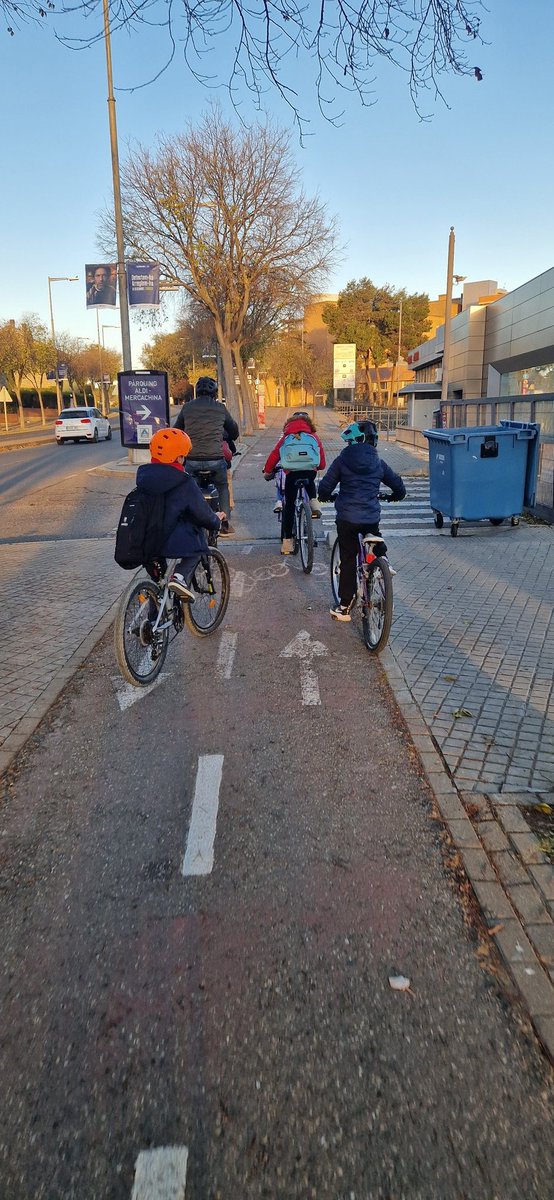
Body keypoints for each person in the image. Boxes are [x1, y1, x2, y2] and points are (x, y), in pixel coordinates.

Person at [318, 420, 406, 621]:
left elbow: (324, 487)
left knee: (348, 559)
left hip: (347, 518)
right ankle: (383, 561)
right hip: (370, 517)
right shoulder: (378, 463)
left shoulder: (341, 461)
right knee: (374, 534)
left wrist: (324, 496)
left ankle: (344, 607)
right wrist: (393, 496)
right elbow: (399, 488)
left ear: (353, 442)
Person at [136, 427, 225, 601]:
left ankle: (153, 623)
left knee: (159, 586)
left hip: (145, 540)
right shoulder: (184, 481)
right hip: (170, 541)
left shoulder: (144, 477)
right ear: (178, 457)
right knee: (199, 544)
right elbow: (202, 513)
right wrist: (216, 520)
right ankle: (179, 577)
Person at [173, 376, 239, 535]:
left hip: (192, 460)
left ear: (196, 392)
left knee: (189, 489)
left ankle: (190, 521)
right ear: (215, 393)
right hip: (215, 460)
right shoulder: (220, 408)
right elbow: (234, 432)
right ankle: (224, 524)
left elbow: (177, 430)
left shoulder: (187, 408)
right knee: (223, 486)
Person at [263, 412, 325, 554]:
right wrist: (320, 466)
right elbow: (320, 456)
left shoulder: (286, 437)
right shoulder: (313, 436)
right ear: (308, 423)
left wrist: (268, 470)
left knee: (289, 505)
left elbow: (275, 454)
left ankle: (287, 544)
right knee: (310, 481)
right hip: (309, 472)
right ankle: (314, 503)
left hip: (291, 473)